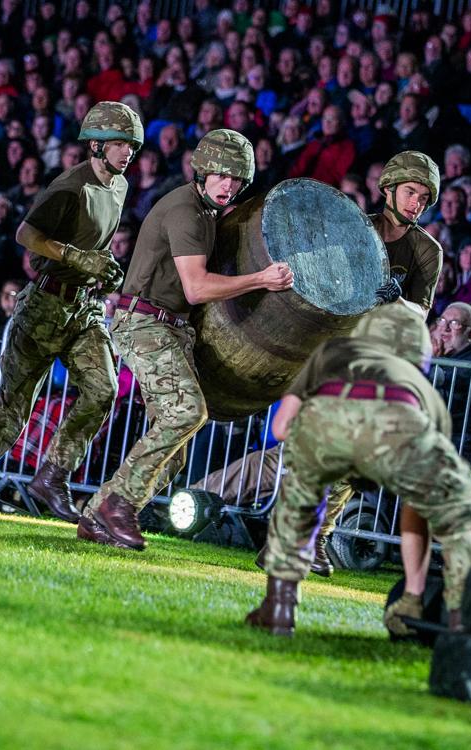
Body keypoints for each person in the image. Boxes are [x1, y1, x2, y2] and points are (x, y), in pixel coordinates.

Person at [79, 129, 295, 550]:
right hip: (145, 322)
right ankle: (119, 506)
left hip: (169, 326)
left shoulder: (206, 213)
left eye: (237, 180)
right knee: (187, 411)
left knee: (176, 448)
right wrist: (261, 280)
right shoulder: (186, 210)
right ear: (202, 172)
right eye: (221, 176)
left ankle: (97, 515)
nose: (229, 186)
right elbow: (196, 288)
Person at [0, 101, 142, 518]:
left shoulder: (120, 186)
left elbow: (95, 244)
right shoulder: (71, 186)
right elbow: (25, 234)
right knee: (15, 405)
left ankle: (53, 475)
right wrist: (75, 257)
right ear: (97, 146)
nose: (129, 153)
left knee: (103, 390)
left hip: (83, 308)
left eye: (133, 146)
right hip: (45, 304)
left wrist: (99, 268)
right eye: (122, 144)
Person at [245, 303, 471, 636]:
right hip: (401, 433)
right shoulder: (420, 387)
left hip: (332, 427)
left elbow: (281, 428)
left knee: (302, 489)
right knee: (461, 514)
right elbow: (421, 493)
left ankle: (280, 606)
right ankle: (458, 618)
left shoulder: (332, 353)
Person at [370, 151, 443, 314]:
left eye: (423, 198)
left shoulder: (428, 249)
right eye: (410, 192)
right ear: (389, 187)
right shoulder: (359, 227)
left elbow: (421, 314)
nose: (415, 204)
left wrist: (398, 300)